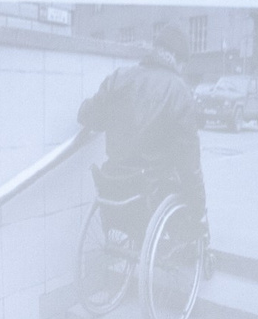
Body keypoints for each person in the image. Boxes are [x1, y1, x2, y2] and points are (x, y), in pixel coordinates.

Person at [77, 24, 206, 224]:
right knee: (183, 190)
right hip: (149, 194)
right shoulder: (180, 90)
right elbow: (190, 163)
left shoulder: (120, 76)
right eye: (183, 65)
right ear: (175, 58)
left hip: (112, 185)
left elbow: (87, 116)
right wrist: (198, 208)